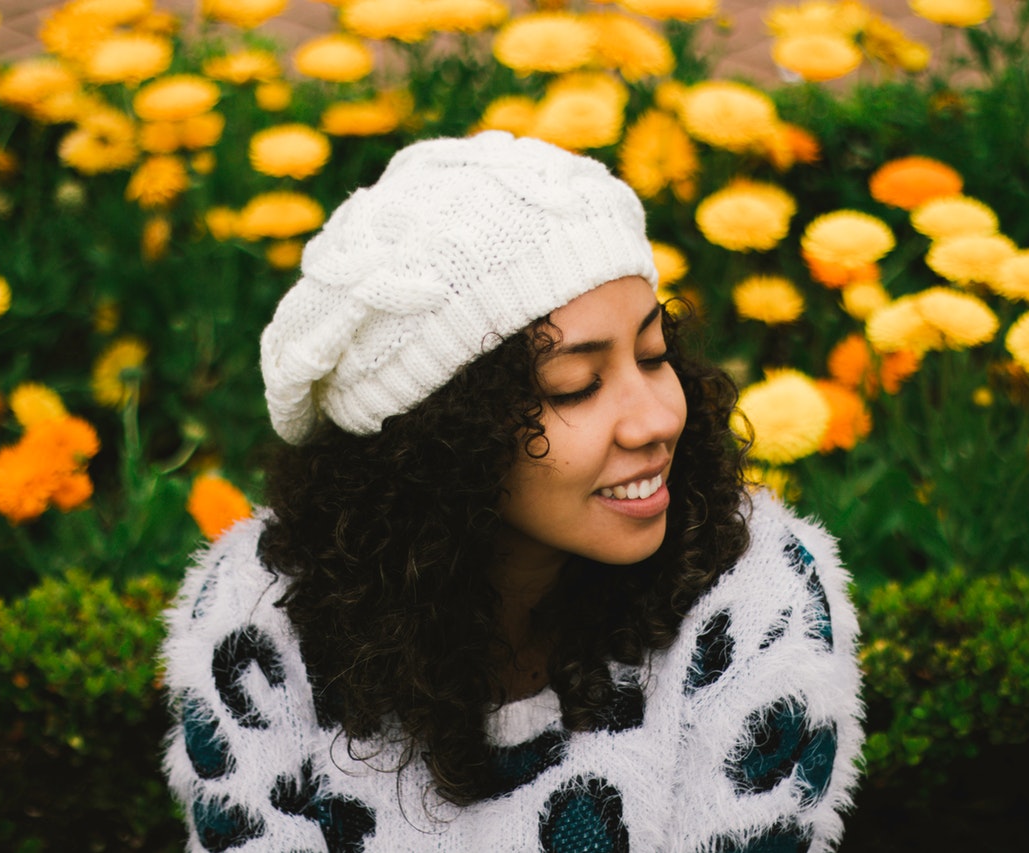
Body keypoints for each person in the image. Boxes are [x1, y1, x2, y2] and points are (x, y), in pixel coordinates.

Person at [161, 132, 863, 852]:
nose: (657, 418)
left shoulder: (752, 602)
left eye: (654, 355)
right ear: (444, 440)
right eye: (576, 386)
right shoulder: (260, 616)